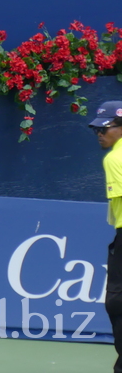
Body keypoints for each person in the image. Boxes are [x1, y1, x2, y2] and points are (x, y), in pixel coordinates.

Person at [89, 101, 122, 373]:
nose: (100, 134)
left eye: (105, 128)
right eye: (95, 129)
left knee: (116, 302)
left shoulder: (113, 159)